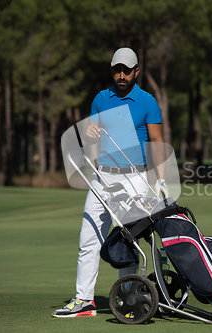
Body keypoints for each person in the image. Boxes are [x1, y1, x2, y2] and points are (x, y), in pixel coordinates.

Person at [52, 47, 169, 318]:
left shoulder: (147, 102)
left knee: (128, 241)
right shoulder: (100, 99)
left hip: (135, 178)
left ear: (136, 71)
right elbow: (92, 149)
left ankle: (128, 299)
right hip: (102, 177)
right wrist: (89, 134)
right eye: (117, 69)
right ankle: (84, 301)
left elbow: (158, 143)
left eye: (126, 70)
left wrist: (161, 180)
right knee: (89, 239)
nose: (121, 75)